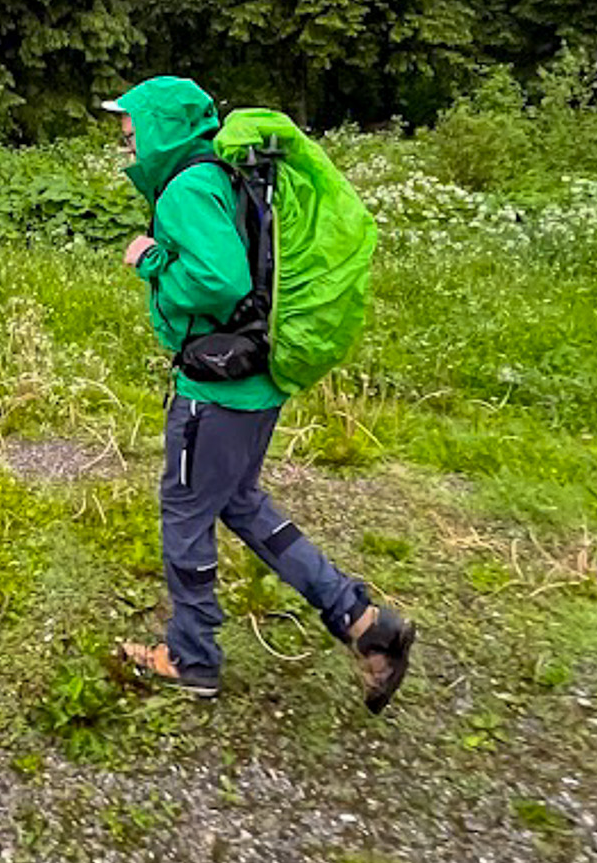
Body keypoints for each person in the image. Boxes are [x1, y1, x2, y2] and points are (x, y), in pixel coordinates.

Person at [105, 76, 414, 711]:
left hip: (213, 392)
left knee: (185, 515)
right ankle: (364, 623)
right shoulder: (225, 175)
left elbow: (219, 280)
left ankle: (191, 659)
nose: (126, 143)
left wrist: (151, 261)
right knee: (241, 503)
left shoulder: (186, 190)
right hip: (258, 379)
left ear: (163, 128)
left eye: (132, 130)